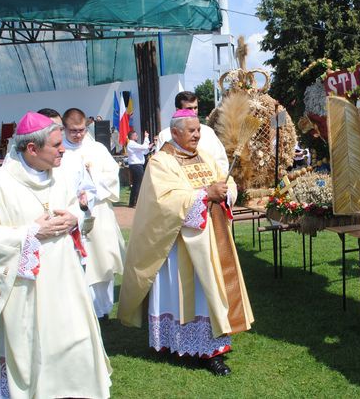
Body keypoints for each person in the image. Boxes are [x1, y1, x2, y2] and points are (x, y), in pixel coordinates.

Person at [0, 112, 112, 398]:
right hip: (28, 289)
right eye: (56, 145)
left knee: (77, 339)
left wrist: (75, 217)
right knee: (36, 346)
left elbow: (78, 210)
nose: (63, 149)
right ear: (32, 149)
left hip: (69, 280)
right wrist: (30, 232)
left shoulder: (60, 175)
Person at [118, 108, 254, 376]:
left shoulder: (203, 157)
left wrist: (226, 191)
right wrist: (205, 194)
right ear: (175, 132)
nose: (197, 134)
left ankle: (212, 350)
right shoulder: (161, 163)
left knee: (210, 294)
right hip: (177, 247)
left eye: (198, 130)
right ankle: (173, 343)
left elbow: (226, 182)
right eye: (191, 130)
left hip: (211, 241)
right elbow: (163, 202)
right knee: (187, 295)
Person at [63, 108, 125, 319]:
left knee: (102, 259)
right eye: (73, 131)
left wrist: (92, 189)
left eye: (81, 130)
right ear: (64, 128)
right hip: (72, 214)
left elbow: (113, 175)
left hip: (98, 210)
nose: (78, 135)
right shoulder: (59, 150)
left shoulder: (97, 148)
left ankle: (102, 309)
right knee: (77, 260)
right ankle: (81, 309)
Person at [157, 91, 229, 173]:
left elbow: (221, 160)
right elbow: (160, 167)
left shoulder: (208, 132)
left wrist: (218, 180)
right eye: (189, 108)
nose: (194, 112)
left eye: (195, 108)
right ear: (178, 110)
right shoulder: (165, 135)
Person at [126, 129, 152, 208]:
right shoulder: (131, 144)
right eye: (136, 135)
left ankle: (132, 202)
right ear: (132, 136)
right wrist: (146, 138)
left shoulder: (133, 144)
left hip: (137, 165)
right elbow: (144, 147)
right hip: (136, 166)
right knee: (138, 184)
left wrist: (148, 148)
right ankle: (136, 202)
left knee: (136, 184)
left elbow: (144, 151)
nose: (137, 136)